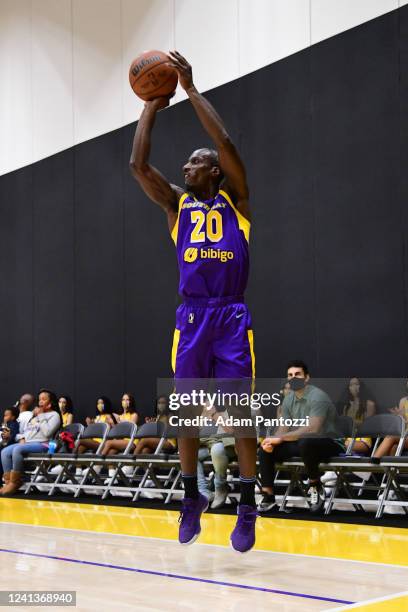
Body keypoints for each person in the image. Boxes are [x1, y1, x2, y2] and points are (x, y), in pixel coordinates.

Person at [130, 51, 257, 552]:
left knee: (239, 414)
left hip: (230, 313)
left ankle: (247, 507)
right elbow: (138, 164)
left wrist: (189, 89)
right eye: (187, 163)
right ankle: (191, 497)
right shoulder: (176, 206)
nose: (187, 166)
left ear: (215, 174)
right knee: (185, 414)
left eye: (196, 162)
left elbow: (224, 141)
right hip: (192, 316)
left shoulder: (237, 201)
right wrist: (150, 105)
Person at [258, 361, 345, 514]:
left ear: (306, 378)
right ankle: (268, 497)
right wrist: (272, 441)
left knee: (307, 441)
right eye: (290, 375)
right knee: (265, 449)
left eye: (297, 374)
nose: (293, 378)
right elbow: (283, 429)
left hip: (330, 442)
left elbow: (314, 428)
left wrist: (282, 438)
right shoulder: (288, 399)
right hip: (303, 444)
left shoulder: (318, 396)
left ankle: (315, 486)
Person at [0, 389, 61, 495]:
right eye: (39, 399)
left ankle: (16, 482)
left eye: (44, 399)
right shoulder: (34, 416)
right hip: (28, 443)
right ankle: (8, 482)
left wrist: (41, 416)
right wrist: (21, 438)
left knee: (17, 449)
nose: (40, 401)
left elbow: (47, 432)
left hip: (43, 444)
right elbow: (25, 432)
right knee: (5, 452)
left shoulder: (54, 415)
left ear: (50, 403)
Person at [0, 407, 20, 481]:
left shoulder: (14, 424)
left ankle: (5, 479)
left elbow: (13, 435)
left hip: (9, 446)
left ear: (13, 417)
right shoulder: (5, 424)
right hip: (3, 445)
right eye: (4, 415)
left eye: (7, 415)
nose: (4, 417)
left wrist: (9, 435)